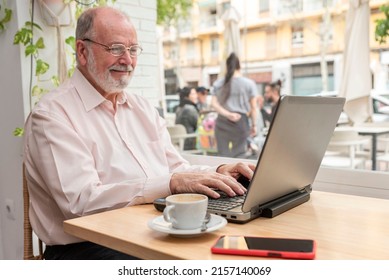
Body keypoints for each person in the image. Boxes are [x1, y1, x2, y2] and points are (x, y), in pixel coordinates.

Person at [23, 7, 255, 260]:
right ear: (82, 51)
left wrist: (218, 172)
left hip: (150, 231)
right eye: (116, 48)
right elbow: (81, 203)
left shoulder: (142, 108)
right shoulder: (52, 116)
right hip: (87, 247)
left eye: (133, 50)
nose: (128, 60)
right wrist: (170, 183)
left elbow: (177, 168)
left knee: (238, 252)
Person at [211, 52, 258, 158]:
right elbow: (254, 108)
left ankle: (222, 175)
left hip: (222, 122)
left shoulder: (218, 83)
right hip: (240, 122)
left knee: (223, 156)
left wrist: (227, 114)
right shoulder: (249, 84)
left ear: (227, 66)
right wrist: (254, 125)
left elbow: (213, 104)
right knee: (239, 155)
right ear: (239, 66)